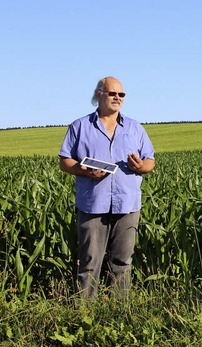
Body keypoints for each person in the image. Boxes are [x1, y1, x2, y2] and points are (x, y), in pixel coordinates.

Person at [58, 76, 155, 300]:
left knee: (123, 262)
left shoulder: (134, 128)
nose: (118, 98)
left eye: (121, 95)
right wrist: (84, 171)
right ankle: (83, 315)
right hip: (93, 203)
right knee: (90, 263)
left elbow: (150, 161)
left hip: (127, 204)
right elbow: (65, 160)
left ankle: (120, 315)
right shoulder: (80, 126)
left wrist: (141, 166)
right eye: (113, 93)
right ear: (99, 94)